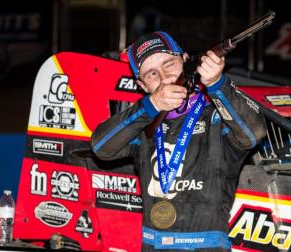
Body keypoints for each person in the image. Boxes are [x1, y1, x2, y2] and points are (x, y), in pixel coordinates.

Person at [91, 31, 266, 251]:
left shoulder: (216, 117)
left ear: (185, 60)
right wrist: (150, 106)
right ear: (143, 86)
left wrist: (218, 84)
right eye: (152, 74)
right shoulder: (143, 124)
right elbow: (100, 147)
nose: (164, 77)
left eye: (169, 64)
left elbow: (254, 134)